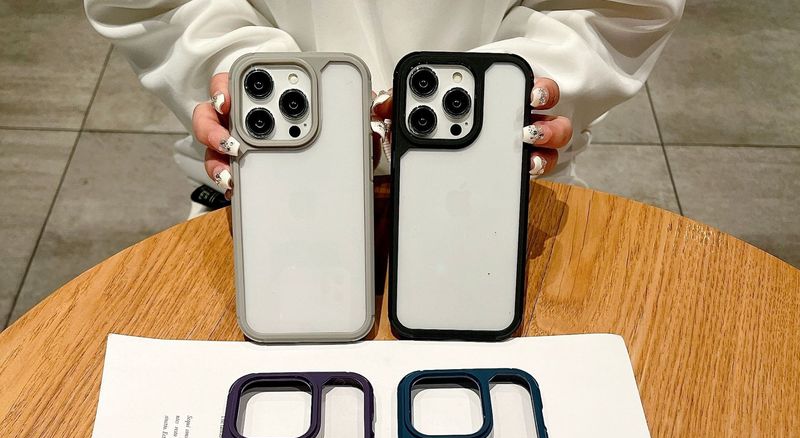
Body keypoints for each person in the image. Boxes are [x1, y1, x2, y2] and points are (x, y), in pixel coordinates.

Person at [85, 0, 683, 212]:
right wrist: (247, 73)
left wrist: (504, 92)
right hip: (264, 183)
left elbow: (617, 7)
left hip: (503, 187)